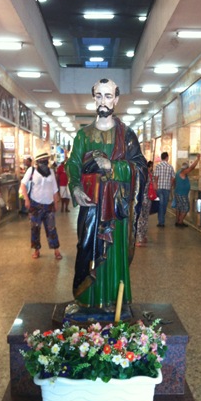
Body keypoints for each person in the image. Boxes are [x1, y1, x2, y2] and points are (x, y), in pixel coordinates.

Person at [65, 78, 147, 314]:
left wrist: (113, 166)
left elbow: (140, 168)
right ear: (93, 99)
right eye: (99, 96)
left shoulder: (127, 135)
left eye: (108, 96)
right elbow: (73, 166)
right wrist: (76, 188)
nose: (103, 101)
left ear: (116, 99)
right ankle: (85, 299)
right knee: (86, 249)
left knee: (113, 253)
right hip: (90, 207)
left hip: (116, 209)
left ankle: (114, 301)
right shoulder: (83, 135)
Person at [20, 152, 62, 260]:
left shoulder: (51, 172)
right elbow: (23, 184)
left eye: (46, 160)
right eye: (43, 160)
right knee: (35, 228)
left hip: (49, 205)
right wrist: (26, 199)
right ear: (38, 162)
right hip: (35, 204)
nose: (45, 162)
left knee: (51, 228)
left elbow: (55, 189)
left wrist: (56, 203)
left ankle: (56, 250)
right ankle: (36, 250)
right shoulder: (32, 171)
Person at [174, 154, 201, 227]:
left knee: (179, 207)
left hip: (178, 192)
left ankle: (178, 221)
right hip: (182, 194)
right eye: (187, 168)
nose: (188, 170)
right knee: (186, 208)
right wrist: (198, 159)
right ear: (185, 169)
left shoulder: (178, 172)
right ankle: (180, 221)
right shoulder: (183, 172)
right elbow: (192, 168)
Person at [153, 151, 175, 227]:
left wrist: (155, 184)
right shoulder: (170, 167)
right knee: (164, 204)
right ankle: (162, 221)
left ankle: (161, 221)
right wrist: (171, 185)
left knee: (160, 204)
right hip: (167, 188)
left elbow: (156, 177)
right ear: (167, 158)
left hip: (159, 188)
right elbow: (173, 178)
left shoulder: (158, 166)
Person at [136, 160, 154, 246]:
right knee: (146, 219)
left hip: (142, 199)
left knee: (140, 219)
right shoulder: (150, 174)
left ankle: (140, 239)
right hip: (148, 199)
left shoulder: (141, 175)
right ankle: (144, 237)